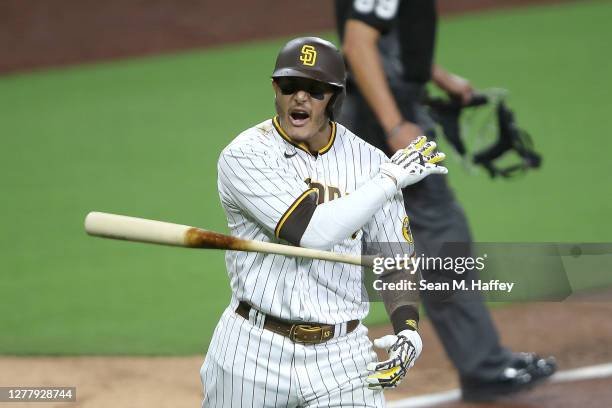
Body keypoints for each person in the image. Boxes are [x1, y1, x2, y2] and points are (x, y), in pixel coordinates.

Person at [200, 36, 448, 407]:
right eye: (290, 86)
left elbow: (395, 261)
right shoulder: (245, 156)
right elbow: (312, 233)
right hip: (251, 352)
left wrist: (408, 329)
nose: (301, 97)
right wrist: (389, 181)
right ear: (275, 88)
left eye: (316, 90)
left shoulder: (368, 160)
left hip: (343, 356)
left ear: (335, 97)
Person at [335, 0, 556, 401]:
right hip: (383, 123)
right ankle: (484, 367)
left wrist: (435, 75)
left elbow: (387, 35)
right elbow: (358, 43)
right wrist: (396, 124)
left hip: (379, 114)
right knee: (440, 241)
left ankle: (290, 369)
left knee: (357, 246)